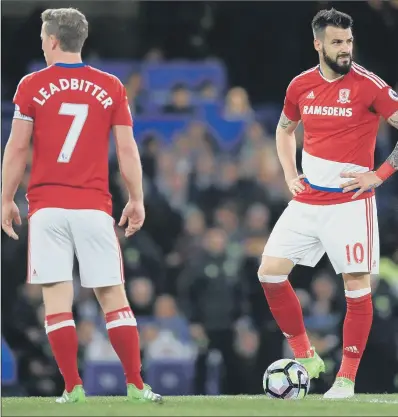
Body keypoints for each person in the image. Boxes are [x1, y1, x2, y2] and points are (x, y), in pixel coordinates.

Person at [1, 8, 162, 404]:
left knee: (56, 300)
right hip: (93, 207)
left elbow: (18, 147)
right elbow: (127, 147)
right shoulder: (111, 86)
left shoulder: (31, 85)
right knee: (113, 298)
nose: (41, 43)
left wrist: (5, 198)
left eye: (43, 37)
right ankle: (136, 386)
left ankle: (72, 388)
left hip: (47, 208)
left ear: (53, 40)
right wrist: (137, 198)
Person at [258, 8, 398, 399]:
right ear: (318, 43)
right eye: (337, 42)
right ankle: (307, 356)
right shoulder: (300, 85)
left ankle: (346, 379)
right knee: (269, 273)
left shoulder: (369, 85)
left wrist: (379, 174)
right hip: (307, 202)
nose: (345, 49)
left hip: (351, 204)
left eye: (349, 41)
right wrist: (289, 173)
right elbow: (285, 129)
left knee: (356, 288)